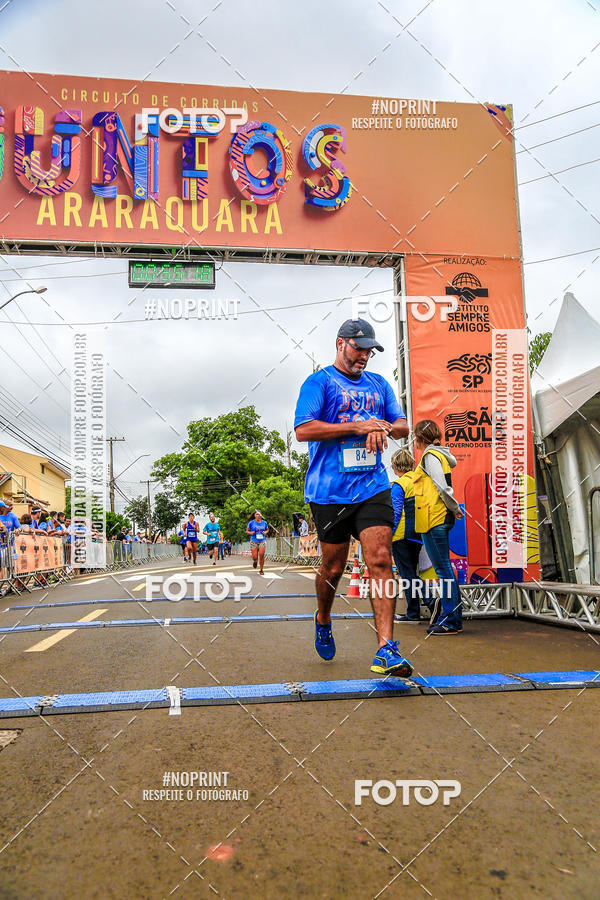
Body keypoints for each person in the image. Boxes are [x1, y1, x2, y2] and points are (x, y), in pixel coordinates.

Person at [294, 318, 412, 677]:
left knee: (380, 558)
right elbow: (303, 429)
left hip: (372, 486)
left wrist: (381, 426)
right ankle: (323, 617)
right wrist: (358, 426)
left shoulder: (379, 384)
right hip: (329, 492)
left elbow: (403, 424)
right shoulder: (319, 383)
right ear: (340, 344)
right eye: (359, 348)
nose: (364, 356)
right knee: (333, 567)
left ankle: (386, 648)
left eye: (369, 351)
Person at [412, 419, 464, 635]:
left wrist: (454, 507)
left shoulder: (430, 456)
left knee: (443, 570)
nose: (413, 441)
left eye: (415, 436)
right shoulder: (439, 455)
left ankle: (451, 620)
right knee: (444, 569)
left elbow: (442, 487)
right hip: (434, 518)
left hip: (435, 518)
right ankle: (452, 617)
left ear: (420, 438)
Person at [390, 449, 424, 622]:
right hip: (419, 534)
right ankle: (416, 610)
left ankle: (423, 605)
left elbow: (395, 513)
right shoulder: (420, 481)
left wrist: (388, 535)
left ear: (396, 466)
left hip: (401, 536)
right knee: (412, 572)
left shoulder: (398, 485)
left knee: (408, 575)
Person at [246, 510, 268, 575]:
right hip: (254, 541)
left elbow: (267, 529)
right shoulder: (251, 523)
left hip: (262, 540)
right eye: (256, 514)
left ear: (261, 515)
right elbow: (247, 531)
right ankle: (255, 561)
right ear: (254, 516)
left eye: (259, 514)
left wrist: (265, 532)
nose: (258, 515)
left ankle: (261, 569)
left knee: (261, 555)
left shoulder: (264, 522)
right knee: (255, 557)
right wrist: (251, 533)